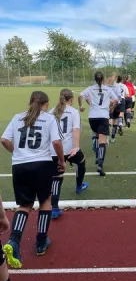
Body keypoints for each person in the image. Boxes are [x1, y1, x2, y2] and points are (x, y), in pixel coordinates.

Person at [1, 91, 65, 268]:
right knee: (45, 201)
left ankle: (14, 241)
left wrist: (18, 153)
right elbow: (57, 143)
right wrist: (61, 160)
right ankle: (41, 242)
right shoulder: (49, 118)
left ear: (30, 102)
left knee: (24, 205)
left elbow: (4, 140)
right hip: (41, 165)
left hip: (20, 166)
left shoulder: (17, 118)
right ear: (46, 104)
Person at [50, 89, 89, 220]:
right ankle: (79, 186)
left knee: (57, 176)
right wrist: (76, 146)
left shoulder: (51, 111)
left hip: (54, 150)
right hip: (69, 148)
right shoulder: (73, 111)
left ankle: (54, 208)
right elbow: (76, 129)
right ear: (71, 99)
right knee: (81, 162)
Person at [78, 72, 118, 177]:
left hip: (92, 117)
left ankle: (97, 155)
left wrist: (81, 106)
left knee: (96, 135)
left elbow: (80, 96)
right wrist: (112, 108)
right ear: (103, 79)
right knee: (102, 141)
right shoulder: (108, 89)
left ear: (95, 79)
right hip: (103, 116)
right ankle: (100, 164)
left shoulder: (90, 88)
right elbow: (116, 100)